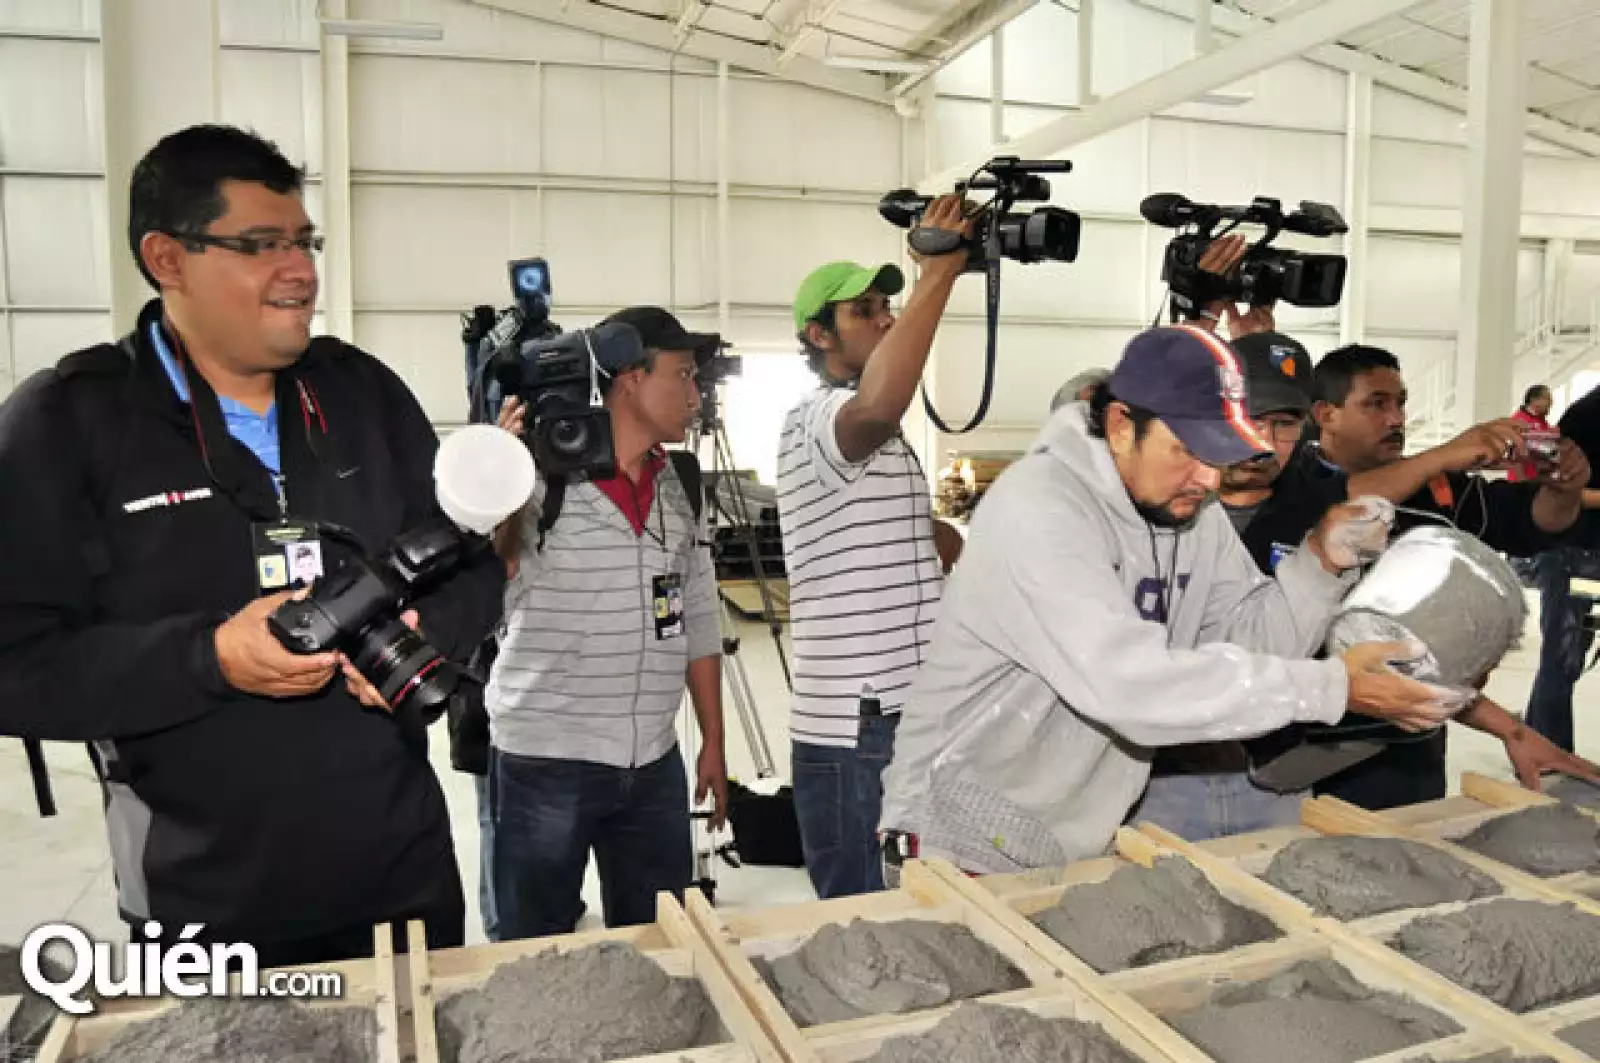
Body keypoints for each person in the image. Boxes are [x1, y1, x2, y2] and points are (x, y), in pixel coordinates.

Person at [0, 125, 505, 965]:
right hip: (203, 906)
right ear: (167, 258)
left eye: (304, 242)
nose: (300, 270)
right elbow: (13, 666)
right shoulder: (67, 423)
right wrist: (209, 658)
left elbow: (476, 563)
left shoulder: (361, 393)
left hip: (401, 883)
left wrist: (433, 627)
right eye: (261, 244)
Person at [879, 325, 1458, 874]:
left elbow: (1252, 639)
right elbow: (1124, 683)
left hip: (1072, 835)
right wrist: (1331, 687)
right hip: (964, 836)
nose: (1209, 480)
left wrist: (1319, 565)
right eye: (1186, 450)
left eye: (1219, 455)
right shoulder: (1040, 509)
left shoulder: (1188, 509)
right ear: (1121, 425)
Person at [1239, 345, 1596, 807]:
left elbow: (1531, 521)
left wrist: (1564, 487)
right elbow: (1338, 504)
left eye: (1401, 403)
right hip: (1298, 765)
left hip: (1410, 756)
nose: (1396, 418)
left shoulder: (1438, 493)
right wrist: (1443, 455)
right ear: (1326, 415)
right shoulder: (1283, 484)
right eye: (1376, 404)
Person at [487, 306, 728, 939]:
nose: (695, 397)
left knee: (662, 940)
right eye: (683, 375)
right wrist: (498, 476)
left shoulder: (679, 482)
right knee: (535, 947)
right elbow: (489, 584)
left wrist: (713, 739)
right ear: (630, 378)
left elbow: (698, 613)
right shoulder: (538, 477)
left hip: (653, 762)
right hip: (547, 759)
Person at [776, 197, 970, 899]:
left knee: (914, 906)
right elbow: (881, 405)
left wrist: (943, 539)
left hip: (903, 710)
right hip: (855, 730)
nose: (886, 318)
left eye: (889, 305)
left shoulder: (882, 442)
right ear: (818, 334)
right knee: (862, 914)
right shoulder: (817, 419)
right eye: (865, 310)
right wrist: (938, 276)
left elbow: (912, 535)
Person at [1132, 327, 1318, 839]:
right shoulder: (1145, 511)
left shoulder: (1323, 513)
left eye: (1285, 424)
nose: (1265, 442)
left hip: (1276, 775)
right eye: (1252, 419)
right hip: (1152, 781)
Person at [1525, 382, 1600, 751]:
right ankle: (1550, 755)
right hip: (1573, 557)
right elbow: (1556, 490)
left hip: (1588, 556)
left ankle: (1535, 734)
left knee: (1567, 655)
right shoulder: (1588, 416)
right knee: (1564, 657)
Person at [1509, 384, 1555, 483]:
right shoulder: (1519, 420)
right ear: (1534, 400)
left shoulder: (1543, 422)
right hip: (1523, 482)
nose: (1551, 402)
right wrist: (1522, 482)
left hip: (1539, 479)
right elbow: (1516, 453)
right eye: (1547, 398)